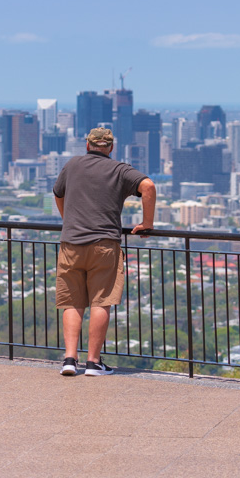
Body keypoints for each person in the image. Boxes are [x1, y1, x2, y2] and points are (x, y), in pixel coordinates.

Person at [53, 127, 155, 376]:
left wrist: (68, 219)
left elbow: (58, 193)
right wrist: (147, 224)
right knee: (101, 300)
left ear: (87, 145)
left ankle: (69, 359)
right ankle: (93, 362)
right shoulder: (120, 169)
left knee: (72, 303)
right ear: (110, 148)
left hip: (71, 243)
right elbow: (149, 186)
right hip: (104, 245)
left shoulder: (73, 164)